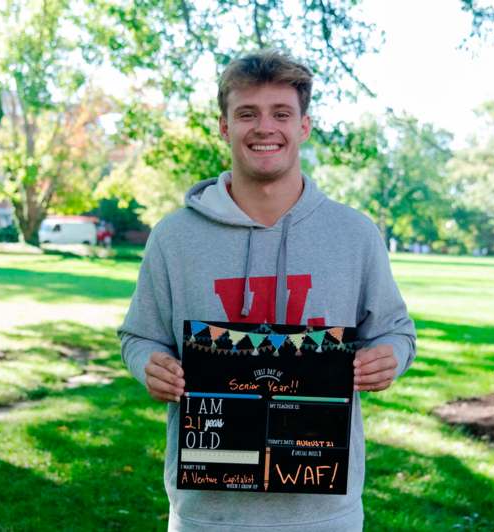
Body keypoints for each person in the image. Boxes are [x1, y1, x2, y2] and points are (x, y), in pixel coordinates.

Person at [118, 50, 416, 531]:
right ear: (223, 126)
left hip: (323, 512)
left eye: (281, 113)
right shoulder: (174, 238)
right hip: (206, 511)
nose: (264, 127)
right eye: (247, 114)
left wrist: (390, 356)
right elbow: (139, 335)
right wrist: (147, 364)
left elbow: (396, 331)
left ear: (304, 127)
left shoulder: (355, 234)